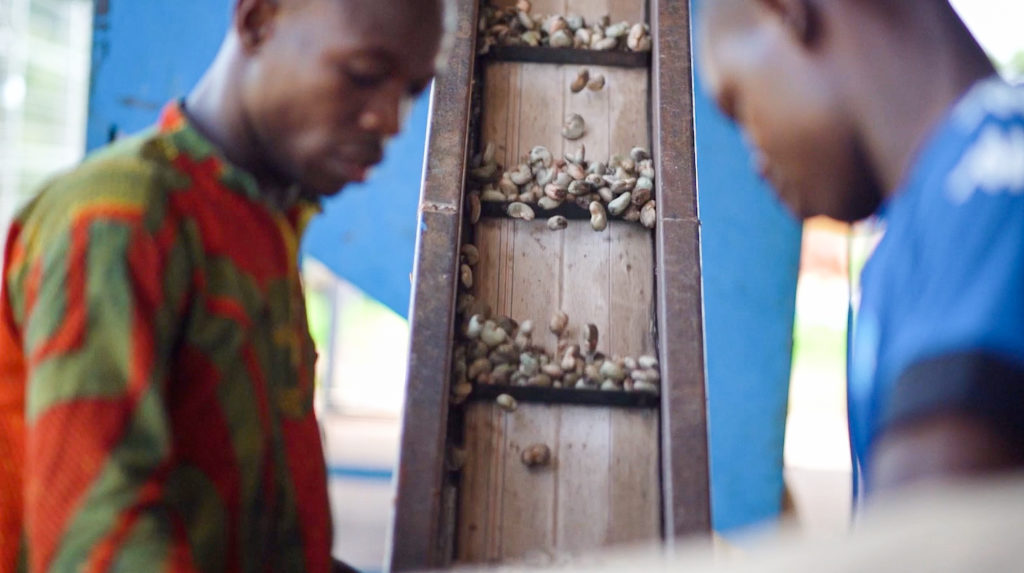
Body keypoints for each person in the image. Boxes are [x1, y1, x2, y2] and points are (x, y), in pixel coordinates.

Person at [0, 0, 446, 570]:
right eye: (362, 75)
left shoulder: (258, 224)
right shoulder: (117, 222)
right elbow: (103, 549)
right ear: (258, 22)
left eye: (412, 90)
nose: (391, 120)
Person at [697, 0, 1024, 498]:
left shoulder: (992, 181)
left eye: (737, 104)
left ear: (788, 13)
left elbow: (928, 534)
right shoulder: (931, 212)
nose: (754, 155)